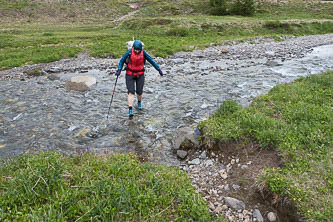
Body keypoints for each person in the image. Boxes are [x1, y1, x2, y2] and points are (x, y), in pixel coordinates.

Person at [115, 40, 163, 117]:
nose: (137, 51)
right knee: (131, 92)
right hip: (129, 74)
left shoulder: (144, 53)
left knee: (139, 92)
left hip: (140, 74)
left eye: (138, 50)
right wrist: (119, 70)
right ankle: (130, 109)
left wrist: (158, 69)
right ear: (133, 48)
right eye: (136, 49)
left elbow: (152, 61)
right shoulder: (129, 52)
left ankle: (139, 102)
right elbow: (121, 61)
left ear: (141, 49)